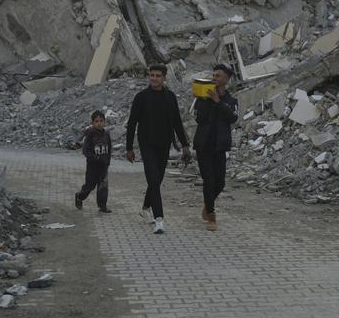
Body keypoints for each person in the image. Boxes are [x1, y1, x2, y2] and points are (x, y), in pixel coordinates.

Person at [126, 64, 190, 234]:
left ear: (164, 78)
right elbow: (132, 123)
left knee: (156, 181)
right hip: (147, 145)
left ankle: (146, 208)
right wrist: (129, 148)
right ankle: (159, 220)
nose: (154, 78)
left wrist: (184, 145)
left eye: (157, 75)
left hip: (164, 145)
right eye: (151, 75)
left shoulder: (170, 97)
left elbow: (177, 122)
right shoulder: (141, 97)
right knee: (153, 180)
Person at [193, 64, 238, 231]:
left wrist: (218, 102)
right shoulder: (202, 97)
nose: (214, 78)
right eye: (213, 75)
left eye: (218, 76)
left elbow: (232, 118)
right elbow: (199, 118)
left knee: (220, 182)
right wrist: (208, 101)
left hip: (220, 146)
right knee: (209, 180)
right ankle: (211, 217)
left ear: (226, 79)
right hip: (203, 145)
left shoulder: (231, 101)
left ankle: (207, 204)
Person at [75, 111, 113, 213]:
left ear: (104, 122)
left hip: (103, 166)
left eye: (101, 121)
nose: (99, 123)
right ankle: (79, 196)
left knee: (103, 186)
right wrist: (94, 158)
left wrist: (107, 161)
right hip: (93, 167)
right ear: (92, 123)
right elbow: (85, 151)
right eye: (96, 121)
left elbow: (109, 149)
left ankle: (102, 206)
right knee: (89, 186)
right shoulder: (90, 134)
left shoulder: (106, 134)